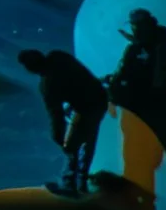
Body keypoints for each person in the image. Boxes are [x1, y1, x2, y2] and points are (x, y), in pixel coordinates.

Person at [18, 48, 110, 196]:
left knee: (71, 147)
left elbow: (56, 115)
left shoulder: (47, 85)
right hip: (100, 98)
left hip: (87, 107)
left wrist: (58, 137)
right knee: (88, 139)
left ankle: (70, 184)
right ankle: (82, 182)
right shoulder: (58, 56)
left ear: (31, 69)